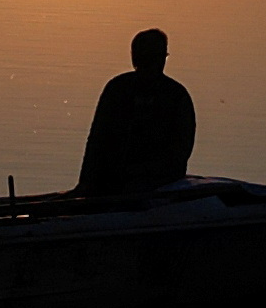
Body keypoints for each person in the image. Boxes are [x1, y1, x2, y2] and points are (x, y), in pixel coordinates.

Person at [74, 27, 196, 197]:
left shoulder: (175, 96)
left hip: (157, 183)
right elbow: (97, 140)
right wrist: (86, 183)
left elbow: (179, 153)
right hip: (113, 179)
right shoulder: (117, 88)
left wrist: (138, 173)